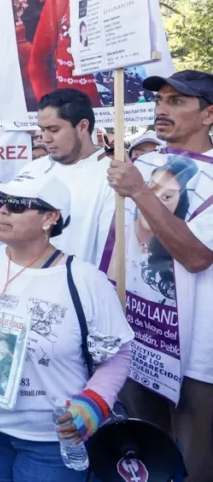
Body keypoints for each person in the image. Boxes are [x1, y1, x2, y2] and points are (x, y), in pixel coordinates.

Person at [0, 170, 133, 482]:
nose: (1, 211)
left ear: (50, 217)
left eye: (16, 204)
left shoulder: (85, 280)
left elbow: (119, 353)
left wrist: (93, 404)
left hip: (51, 439)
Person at [105, 70, 213, 478]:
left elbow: (196, 256)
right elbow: (118, 244)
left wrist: (140, 190)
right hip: (138, 335)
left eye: (177, 102)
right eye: (159, 101)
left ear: (209, 115)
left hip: (194, 348)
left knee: (194, 460)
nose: (161, 110)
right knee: (144, 451)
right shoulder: (145, 162)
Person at [23, 89, 115, 267]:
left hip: (79, 287)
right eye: (42, 129)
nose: (45, 138)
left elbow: (111, 252)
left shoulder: (112, 175)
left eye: (54, 129)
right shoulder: (31, 171)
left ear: (82, 126)